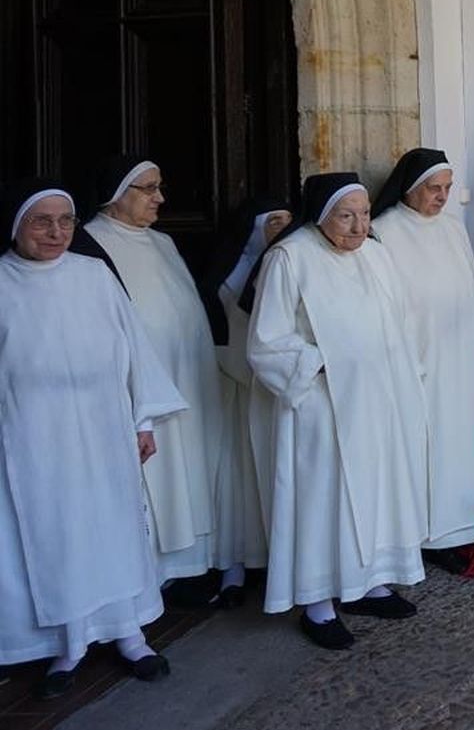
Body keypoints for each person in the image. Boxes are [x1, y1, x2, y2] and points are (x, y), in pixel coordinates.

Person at [0, 179, 186, 698]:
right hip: (33, 440)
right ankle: (69, 643)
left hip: (105, 431)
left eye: (66, 221)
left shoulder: (95, 274)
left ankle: (130, 634)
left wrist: (143, 420)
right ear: (16, 226)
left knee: (112, 529)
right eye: (42, 221)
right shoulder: (1, 282)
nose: (57, 232)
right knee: (58, 537)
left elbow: (133, 348)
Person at [246, 173, 430, 649]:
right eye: (345, 216)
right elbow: (267, 340)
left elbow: (398, 319)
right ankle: (318, 602)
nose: (357, 227)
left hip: (375, 397)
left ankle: (367, 582)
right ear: (321, 215)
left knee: (374, 490)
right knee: (323, 500)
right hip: (320, 403)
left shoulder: (374, 252)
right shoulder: (290, 258)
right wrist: (319, 361)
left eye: (364, 214)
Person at [83, 156, 227, 599]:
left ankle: (189, 566)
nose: (160, 198)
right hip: (143, 390)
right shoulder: (89, 245)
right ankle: (153, 576)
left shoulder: (163, 242)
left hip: (186, 381)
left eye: (159, 187)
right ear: (115, 195)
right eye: (148, 189)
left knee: (188, 471)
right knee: (154, 481)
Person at [372, 148, 474, 573]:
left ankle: (459, 532)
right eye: (433, 189)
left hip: (458, 359)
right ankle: (425, 537)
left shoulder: (452, 227)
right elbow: (382, 303)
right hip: (419, 361)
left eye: (446, 188)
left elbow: (473, 289)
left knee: (458, 446)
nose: (441, 197)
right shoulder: (384, 232)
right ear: (409, 188)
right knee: (425, 447)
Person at [198, 197, 293, 607]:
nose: (284, 226)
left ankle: (277, 560)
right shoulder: (228, 273)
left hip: (274, 387)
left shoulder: (290, 266)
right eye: (274, 221)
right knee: (237, 481)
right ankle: (235, 564)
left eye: (290, 220)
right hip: (233, 385)